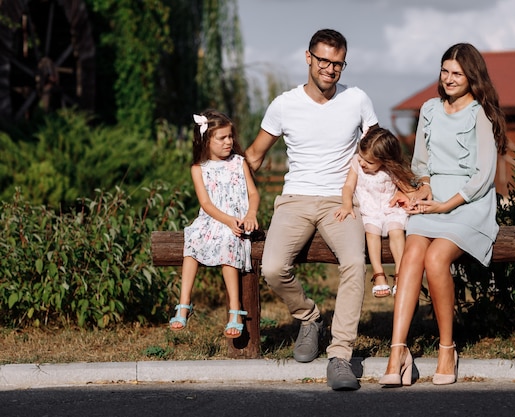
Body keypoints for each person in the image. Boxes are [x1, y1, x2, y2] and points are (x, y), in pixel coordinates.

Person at [245, 28, 378, 391]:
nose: (330, 69)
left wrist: (407, 189)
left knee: (354, 264)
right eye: (324, 61)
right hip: (296, 199)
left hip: (342, 200)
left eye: (338, 63)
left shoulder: (358, 100)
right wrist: (235, 200)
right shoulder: (284, 104)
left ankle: (340, 356)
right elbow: (252, 157)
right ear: (308, 58)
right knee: (272, 267)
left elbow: (380, 150)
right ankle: (310, 318)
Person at [379, 43, 507, 387]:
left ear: (472, 77)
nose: (449, 79)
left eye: (457, 73)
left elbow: (484, 175)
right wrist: (421, 189)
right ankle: (398, 350)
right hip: (434, 201)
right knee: (410, 257)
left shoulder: (482, 113)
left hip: (468, 203)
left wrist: (447, 204)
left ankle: (447, 348)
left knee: (436, 259)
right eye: (444, 71)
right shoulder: (429, 110)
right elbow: (421, 165)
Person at [169, 110, 260, 339]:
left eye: (230, 136)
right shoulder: (198, 168)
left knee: (229, 241)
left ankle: (234, 310)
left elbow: (253, 193)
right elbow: (206, 204)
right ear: (205, 140)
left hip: (236, 220)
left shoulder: (239, 163)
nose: (229, 141)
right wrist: (227, 220)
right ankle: (184, 303)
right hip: (213, 218)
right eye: (222, 138)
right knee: (192, 237)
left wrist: (251, 213)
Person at [334, 126, 414, 298]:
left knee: (396, 232)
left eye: (369, 162)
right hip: (369, 210)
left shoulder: (390, 170)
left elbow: (408, 189)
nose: (363, 163)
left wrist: (407, 197)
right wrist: (347, 204)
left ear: (384, 161)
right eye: (362, 157)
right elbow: (348, 186)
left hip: (390, 208)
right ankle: (378, 274)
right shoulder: (357, 162)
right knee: (372, 233)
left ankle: (400, 274)